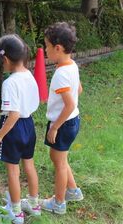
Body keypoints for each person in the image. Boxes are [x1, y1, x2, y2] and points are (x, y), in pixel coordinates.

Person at [0, 34, 41, 224]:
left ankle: (16, 212)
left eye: (0, 61)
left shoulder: (10, 82)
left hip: (13, 128)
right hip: (29, 125)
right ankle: (34, 205)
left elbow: (13, 114)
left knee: (13, 171)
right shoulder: (29, 74)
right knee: (29, 165)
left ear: (6, 59)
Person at [41, 22, 84, 215]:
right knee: (60, 158)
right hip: (72, 120)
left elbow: (69, 105)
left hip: (63, 123)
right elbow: (79, 90)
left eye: (47, 46)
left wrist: (54, 127)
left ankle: (58, 203)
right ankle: (73, 191)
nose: (45, 50)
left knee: (58, 162)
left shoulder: (60, 74)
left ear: (57, 48)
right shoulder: (72, 65)